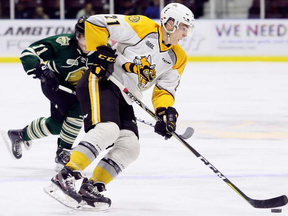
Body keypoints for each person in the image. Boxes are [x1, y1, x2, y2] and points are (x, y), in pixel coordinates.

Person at [47, 3, 195, 210]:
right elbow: (96, 22)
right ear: (170, 23)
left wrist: (165, 112)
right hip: (102, 80)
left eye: (188, 29)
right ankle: (66, 175)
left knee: (130, 146)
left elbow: (164, 90)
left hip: (126, 96)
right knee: (108, 129)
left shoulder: (178, 57)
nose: (185, 34)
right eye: (183, 28)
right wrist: (100, 51)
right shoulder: (143, 26)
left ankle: (92, 188)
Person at [5, 16, 97, 171]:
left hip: (79, 90)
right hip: (55, 84)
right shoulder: (62, 44)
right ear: (77, 35)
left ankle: (20, 135)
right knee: (77, 110)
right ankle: (63, 154)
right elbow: (28, 53)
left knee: (57, 126)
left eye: (93, 38)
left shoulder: (103, 49)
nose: (88, 43)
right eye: (84, 38)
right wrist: (43, 71)